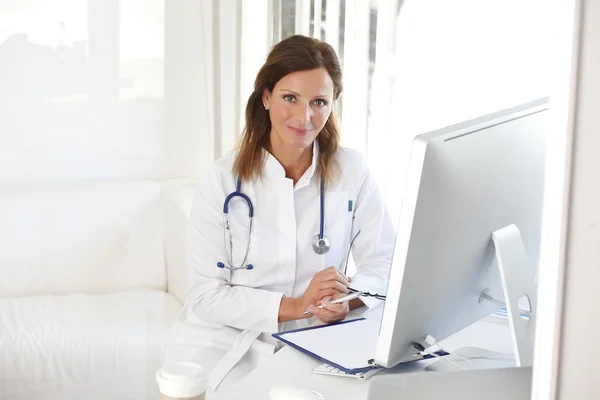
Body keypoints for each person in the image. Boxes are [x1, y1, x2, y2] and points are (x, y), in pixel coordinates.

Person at [157, 34, 396, 399]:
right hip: (222, 341)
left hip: (315, 338)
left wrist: (348, 299)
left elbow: (385, 263)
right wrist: (297, 305)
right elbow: (206, 295)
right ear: (266, 97)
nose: (305, 117)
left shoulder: (352, 171)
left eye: (319, 102)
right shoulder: (223, 181)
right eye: (290, 98)